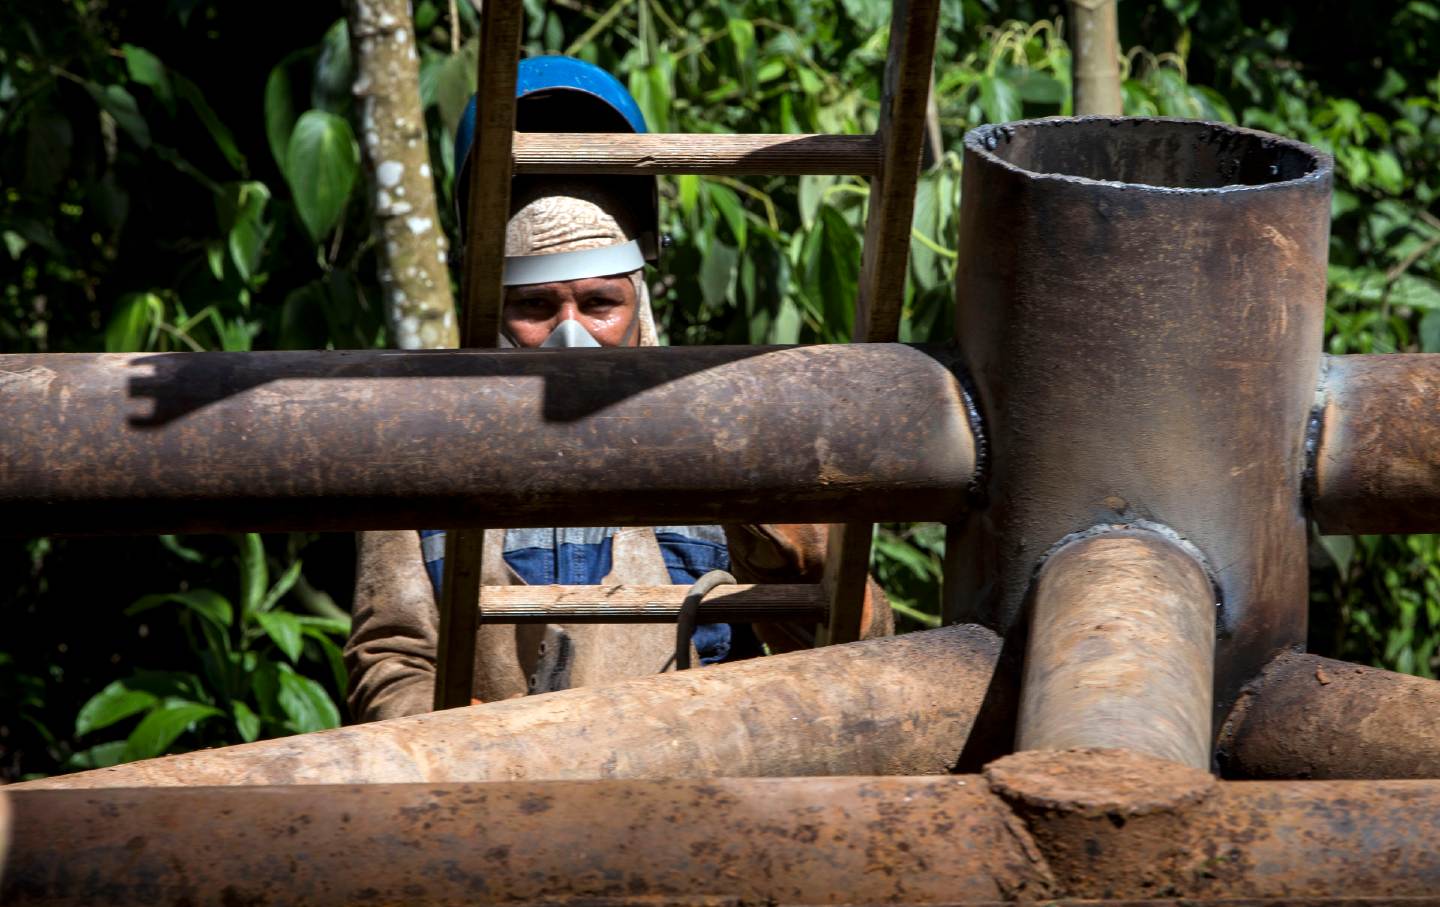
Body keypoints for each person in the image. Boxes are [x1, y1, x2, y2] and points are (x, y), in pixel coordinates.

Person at [344, 57, 891, 723]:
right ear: (490, 308)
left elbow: (860, 653)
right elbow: (393, 661)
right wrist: (468, 739)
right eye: (536, 307)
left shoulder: (724, 428)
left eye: (600, 303)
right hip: (506, 798)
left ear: (639, 302)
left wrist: (800, 555)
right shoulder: (420, 447)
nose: (569, 334)